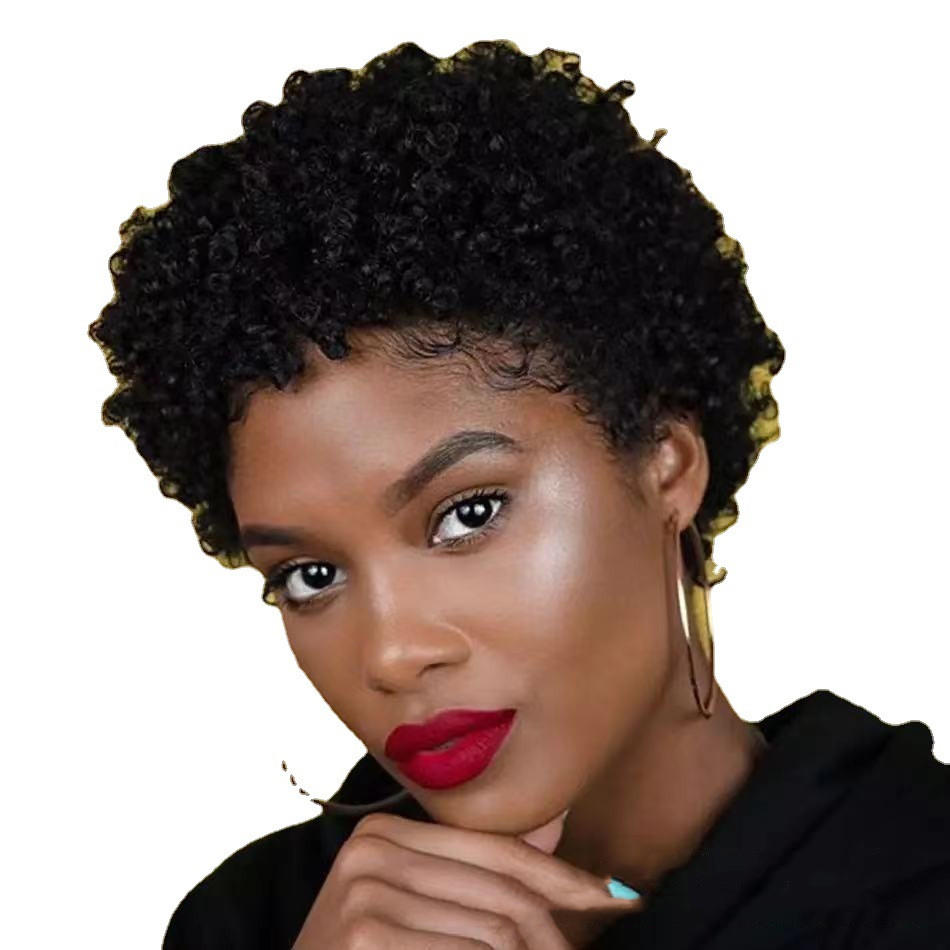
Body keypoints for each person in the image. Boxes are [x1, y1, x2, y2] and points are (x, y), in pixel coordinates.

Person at [89, 39, 950, 949]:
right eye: (310, 574)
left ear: (667, 463)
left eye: (467, 515)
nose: (392, 654)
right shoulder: (262, 924)